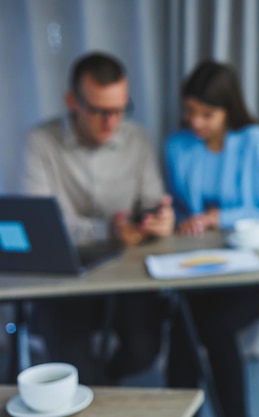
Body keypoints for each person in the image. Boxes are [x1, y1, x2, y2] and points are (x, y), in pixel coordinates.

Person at [22, 52, 174, 385]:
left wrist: (159, 219)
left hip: (126, 272)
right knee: (72, 365)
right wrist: (108, 229)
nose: (111, 122)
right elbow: (43, 227)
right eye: (99, 111)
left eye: (120, 110)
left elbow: (152, 202)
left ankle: (102, 388)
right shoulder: (40, 142)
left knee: (145, 348)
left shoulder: (138, 139)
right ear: (72, 102)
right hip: (64, 279)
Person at [164, 60, 259, 417]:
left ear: (228, 109)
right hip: (200, 269)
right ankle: (180, 412)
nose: (196, 122)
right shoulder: (178, 147)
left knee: (214, 328)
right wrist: (175, 219)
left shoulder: (258, 143)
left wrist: (222, 218)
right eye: (190, 111)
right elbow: (177, 208)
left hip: (255, 275)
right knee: (182, 326)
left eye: (207, 114)